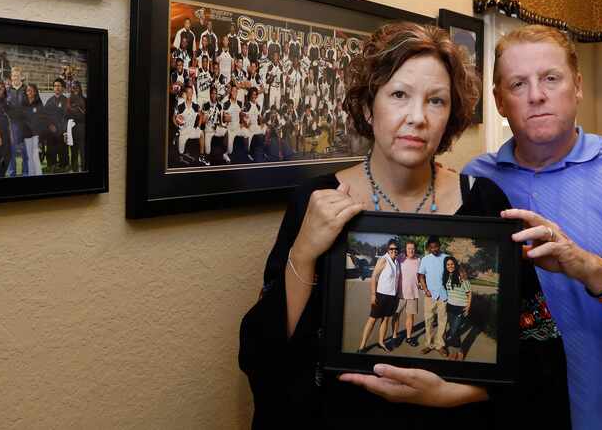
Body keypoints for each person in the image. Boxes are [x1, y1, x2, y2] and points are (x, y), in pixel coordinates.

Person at [239, 21, 571, 427]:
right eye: (399, 95)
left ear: (450, 117)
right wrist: (304, 252)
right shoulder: (318, 199)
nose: (418, 117)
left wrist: (453, 394)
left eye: (436, 101)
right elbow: (267, 354)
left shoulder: (484, 202)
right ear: (367, 106)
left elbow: (537, 355)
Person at [464, 24, 602, 430]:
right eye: (518, 84)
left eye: (551, 78)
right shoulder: (476, 182)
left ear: (578, 86)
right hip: (513, 417)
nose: (536, 95)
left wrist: (585, 265)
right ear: (499, 101)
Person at [357, 240, 401, 353]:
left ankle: (381, 342)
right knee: (372, 319)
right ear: (388, 249)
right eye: (391, 249)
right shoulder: (383, 260)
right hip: (381, 295)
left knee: (385, 319)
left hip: (392, 296)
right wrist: (373, 295)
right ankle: (362, 346)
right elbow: (374, 277)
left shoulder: (397, 261)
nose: (394, 251)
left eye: (396, 249)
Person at [417, 236, 449, 356]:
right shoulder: (425, 259)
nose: (434, 249)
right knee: (428, 321)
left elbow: (453, 273)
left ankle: (440, 345)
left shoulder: (446, 258)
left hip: (443, 295)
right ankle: (428, 345)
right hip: (430, 296)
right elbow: (421, 276)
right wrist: (425, 290)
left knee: (442, 321)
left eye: (436, 247)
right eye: (431, 247)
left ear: (439, 246)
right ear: (429, 248)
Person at [442, 256, 471, 361]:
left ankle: (459, 350)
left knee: (454, 331)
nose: (450, 266)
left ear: (455, 264)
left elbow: (469, 293)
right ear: (446, 266)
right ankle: (454, 352)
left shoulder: (461, 275)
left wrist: (468, 306)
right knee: (456, 331)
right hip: (450, 307)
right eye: (448, 265)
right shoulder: (446, 276)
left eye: (452, 264)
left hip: (460, 307)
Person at [393, 240, 421, 348]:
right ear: (406, 249)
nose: (411, 250)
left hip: (413, 293)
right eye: (409, 248)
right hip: (399, 294)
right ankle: (394, 337)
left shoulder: (419, 260)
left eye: (413, 248)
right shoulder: (400, 258)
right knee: (396, 316)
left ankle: (408, 337)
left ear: (415, 249)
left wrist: (421, 283)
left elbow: (421, 275)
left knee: (410, 317)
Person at [66, 80, 87, 172]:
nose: (75, 89)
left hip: (82, 127)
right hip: (72, 127)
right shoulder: (69, 100)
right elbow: (66, 115)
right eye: (73, 87)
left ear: (80, 88)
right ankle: (74, 171)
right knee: (73, 151)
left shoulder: (85, 99)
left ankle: (84, 169)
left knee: (83, 151)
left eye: (76, 87)